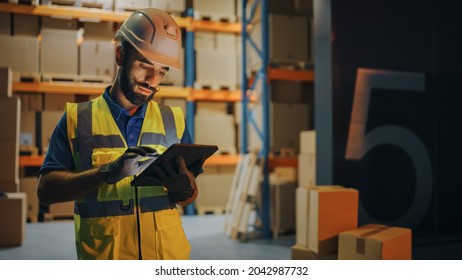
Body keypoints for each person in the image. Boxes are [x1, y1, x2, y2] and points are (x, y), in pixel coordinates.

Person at [37, 8, 199, 260]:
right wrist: (106, 173)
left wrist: (184, 190)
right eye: (145, 66)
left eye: (162, 72)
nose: (152, 80)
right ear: (120, 54)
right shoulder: (76, 120)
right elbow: (46, 191)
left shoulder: (173, 120)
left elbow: (189, 196)